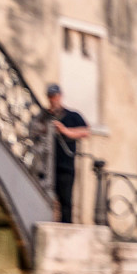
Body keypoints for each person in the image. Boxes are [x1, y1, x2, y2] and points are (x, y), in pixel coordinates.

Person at [44, 85, 90, 225]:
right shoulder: (45, 116)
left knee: (66, 200)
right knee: (50, 198)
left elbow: (85, 132)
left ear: (60, 96)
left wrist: (64, 130)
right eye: (51, 97)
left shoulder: (72, 116)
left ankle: (66, 226)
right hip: (47, 165)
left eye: (56, 97)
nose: (54, 100)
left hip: (65, 165)